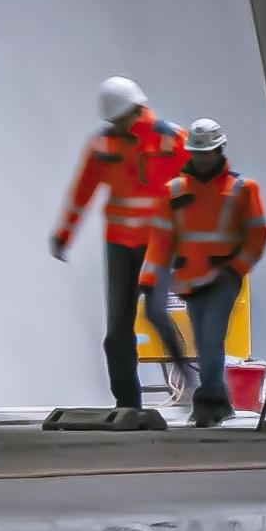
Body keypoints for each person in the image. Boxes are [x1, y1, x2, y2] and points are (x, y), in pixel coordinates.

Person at [51, 77, 188, 412]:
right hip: (120, 246)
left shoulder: (172, 140)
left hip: (159, 242)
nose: (115, 126)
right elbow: (82, 192)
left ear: (135, 109)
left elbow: (207, 179)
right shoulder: (103, 145)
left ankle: (193, 384)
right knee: (116, 334)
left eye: (119, 119)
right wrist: (64, 234)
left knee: (157, 312)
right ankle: (128, 405)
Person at [154, 120, 266, 428]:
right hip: (191, 280)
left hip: (223, 278)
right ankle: (218, 403)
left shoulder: (242, 189)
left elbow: (259, 233)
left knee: (209, 338)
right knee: (205, 342)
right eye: (198, 152)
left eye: (207, 152)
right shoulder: (176, 190)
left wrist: (236, 269)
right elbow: (164, 238)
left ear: (220, 149)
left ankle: (209, 404)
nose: (203, 158)